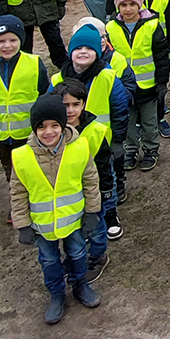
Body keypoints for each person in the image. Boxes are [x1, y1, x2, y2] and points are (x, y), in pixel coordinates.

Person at [10, 96, 101, 324]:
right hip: (42, 226)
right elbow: (18, 192)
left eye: (54, 126)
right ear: (34, 129)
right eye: (41, 127)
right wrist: (22, 224)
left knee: (78, 253)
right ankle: (57, 295)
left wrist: (92, 212)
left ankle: (80, 284)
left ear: (63, 126)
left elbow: (91, 181)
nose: (48, 132)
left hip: (73, 221)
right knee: (49, 261)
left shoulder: (80, 148)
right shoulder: (22, 156)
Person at [54, 77, 119, 274]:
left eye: (76, 104)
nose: (70, 110)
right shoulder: (53, 132)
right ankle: (77, 256)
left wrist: (107, 193)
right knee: (74, 229)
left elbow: (105, 165)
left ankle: (98, 256)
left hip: (93, 192)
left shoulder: (96, 131)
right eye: (65, 105)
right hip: (69, 192)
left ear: (84, 104)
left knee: (96, 227)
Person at [106, 0, 168, 173]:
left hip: (148, 85)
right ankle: (130, 150)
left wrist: (162, 81)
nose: (128, 9)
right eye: (123, 5)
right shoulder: (111, 27)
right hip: (122, 87)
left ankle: (151, 149)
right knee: (127, 121)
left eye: (133, 4)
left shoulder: (152, 25)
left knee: (150, 122)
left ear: (140, 4)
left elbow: (161, 55)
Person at [132, 0, 170, 138]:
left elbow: (169, 19)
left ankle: (159, 117)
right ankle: (137, 120)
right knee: (136, 82)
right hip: (136, 46)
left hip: (159, 45)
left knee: (160, 83)